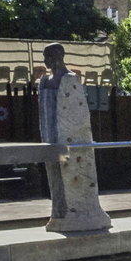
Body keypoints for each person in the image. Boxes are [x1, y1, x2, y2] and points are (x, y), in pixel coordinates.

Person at [37, 43, 111, 232]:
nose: (45, 61)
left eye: (48, 56)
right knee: (56, 181)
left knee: (72, 179)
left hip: (69, 141)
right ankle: (60, 215)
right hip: (51, 138)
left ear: (58, 56)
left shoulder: (70, 79)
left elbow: (79, 114)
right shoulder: (45, 81)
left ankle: (81, 214)